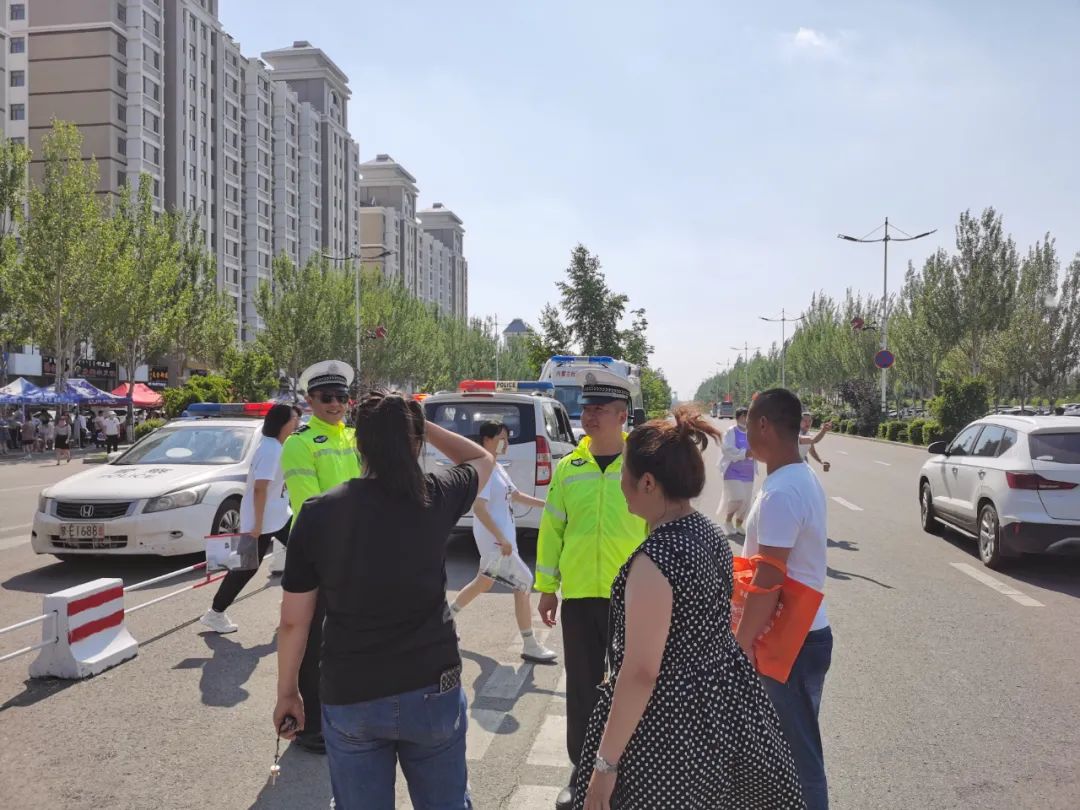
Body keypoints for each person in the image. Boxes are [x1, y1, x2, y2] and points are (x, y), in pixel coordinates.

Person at [274, 390, 495, 809]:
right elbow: (482, 459)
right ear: (415, 442)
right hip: (432, 684)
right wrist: (418, 422)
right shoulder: (435, 495)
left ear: (358, 443)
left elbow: (294, 621)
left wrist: (288, 692)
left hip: (351, 689)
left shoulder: (318, 513)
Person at [575, 408, 804, 810]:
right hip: (717, 708)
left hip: (666, 725)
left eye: (624, 473)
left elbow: (641, 672)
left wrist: (605, 766)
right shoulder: (707, 532)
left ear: (647, 482)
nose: (621, 483)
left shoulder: (656, 560)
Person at [535, 382, 648, 810]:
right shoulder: (569, 467)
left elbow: (656, 528)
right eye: (587, 408)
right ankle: (581, 773)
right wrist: (547, 588)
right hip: (581, 595)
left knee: (630, 687)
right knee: (583, 687)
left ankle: (626, 770)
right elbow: (553, 529)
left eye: (601, 409)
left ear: (622, 416)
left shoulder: (640, 465)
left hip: (632, 598)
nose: (590, 415)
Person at [737, 389, 832, 810]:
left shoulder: (782, 492)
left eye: (747, 425)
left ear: (763, 425)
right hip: (801, 634)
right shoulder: (796, 478)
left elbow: (769, 579)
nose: (745, 434)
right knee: (786, 752)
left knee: (798, 759)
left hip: (789, 641)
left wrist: (740, 643)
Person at [278, 360, 362, 754]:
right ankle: (310, 726)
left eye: (342, 396)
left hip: (356, 551)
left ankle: (345, 714)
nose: (335, 403)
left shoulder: (356, 438)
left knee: (350, 639)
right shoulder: (300, 443)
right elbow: (308, 505)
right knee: (313, 642)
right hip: (317, 553)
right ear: (309, 400)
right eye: (326, 397)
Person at [449, 420, 558, 664]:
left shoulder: (497, 466)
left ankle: (445, 618)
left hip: (502, 539)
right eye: (501, 438)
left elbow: (515, 495)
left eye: (507, 438)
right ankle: (530, 643)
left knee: (483, 582)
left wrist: (549, 506)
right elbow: (479, 508)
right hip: (496, 541)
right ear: (487, 440)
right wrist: (500, 538)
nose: (506, 443)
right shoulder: (484, 469)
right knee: (524, 583)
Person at [201, 404, 301, 634]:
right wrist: (256, 524)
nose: (297, 422)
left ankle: (293, 604)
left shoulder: (275, 445)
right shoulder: (271, 450)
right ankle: (215, 613)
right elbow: (260, 489)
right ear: (283, 422)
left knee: (305, 554)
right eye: (295, 418)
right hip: (263, 519)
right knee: (245, 569)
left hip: (277, 516)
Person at [718, 406, 755, 536]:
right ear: (739, 417)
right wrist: (744, 453)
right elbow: (727, 449)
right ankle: (728, 520)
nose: (747, 419)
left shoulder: (752, 433)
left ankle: (739, 524)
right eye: (745, 416)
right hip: (732, 471)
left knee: (746, 502)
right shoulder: (731, 431)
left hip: (748, 472)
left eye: (749, 416)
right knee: (738, 498)